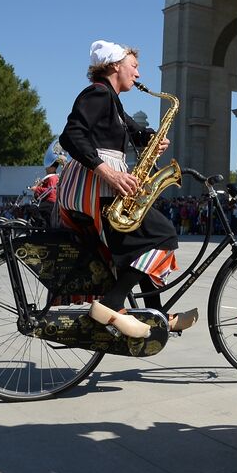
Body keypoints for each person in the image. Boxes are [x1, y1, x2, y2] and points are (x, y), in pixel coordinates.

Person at [55, 39, 194, 339]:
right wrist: (106, 171)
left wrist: (151, 139)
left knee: (145, 240)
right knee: (163, 234)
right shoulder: (98, 93)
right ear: (116, 65)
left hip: (99, 186)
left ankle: (155, 315)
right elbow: (70, 134)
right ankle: (111, 303)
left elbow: (133, 129)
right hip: (95, 187)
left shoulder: (113, 101)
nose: (139, 74)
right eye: (134, 66)